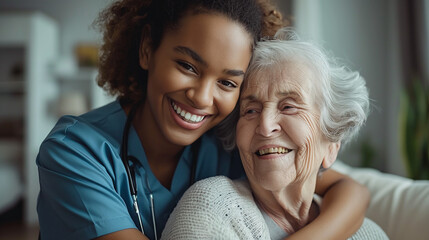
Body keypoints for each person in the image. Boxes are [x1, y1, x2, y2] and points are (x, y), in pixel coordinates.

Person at [36, 0, 369, 239]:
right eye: (188, 67)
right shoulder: (74, 152)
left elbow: (349, 189)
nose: (202, 97)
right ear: (147, 49)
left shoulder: (227, 144)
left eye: (227, 83)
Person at [161, 28, 388, 240]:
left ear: (331, 147)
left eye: (289, 106)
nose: (265, 125)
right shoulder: (211, 211)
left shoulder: (368, 233)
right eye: (250, 110)